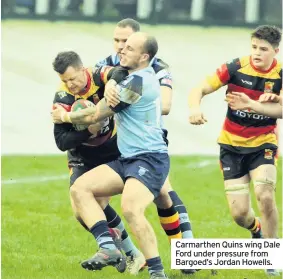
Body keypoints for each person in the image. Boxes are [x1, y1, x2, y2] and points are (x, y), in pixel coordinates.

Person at [52, 32, 170, 279]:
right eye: (123, 46)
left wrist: (64, 117)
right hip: (126, 158)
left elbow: (96, 115)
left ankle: (157, 271)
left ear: (144, 56)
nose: (122, 50)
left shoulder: (139, 82)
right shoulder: (128, 79)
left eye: (129, 48)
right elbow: (112, 78)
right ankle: (108, 249)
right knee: (80, 190)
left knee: (131, 209)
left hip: (149, 158)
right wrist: (113, 85)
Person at [97, 18, 195, 266]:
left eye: (125, 41)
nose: (120, 46)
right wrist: (111, 83)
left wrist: (123, 93)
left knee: (164, 193)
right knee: (91, 194)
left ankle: (187, 253)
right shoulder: (109, 62)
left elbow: (166, 105)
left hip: (149, 137)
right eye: (116, 40)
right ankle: (131, 254)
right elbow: (90, 81)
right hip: (119, 138)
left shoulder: (157, 67)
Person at [188, 25, 282, 276]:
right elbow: (199, 88)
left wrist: (251, 104)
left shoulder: (281, 74)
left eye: (263, 49)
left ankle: (271, 256)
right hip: (231, 145)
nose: (257, 53)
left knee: (265, 193)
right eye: (254, 47)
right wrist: (195, 108)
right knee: (240, 214)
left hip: (263, 142)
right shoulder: (235, 67)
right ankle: (256, 231)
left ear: (276, 51)